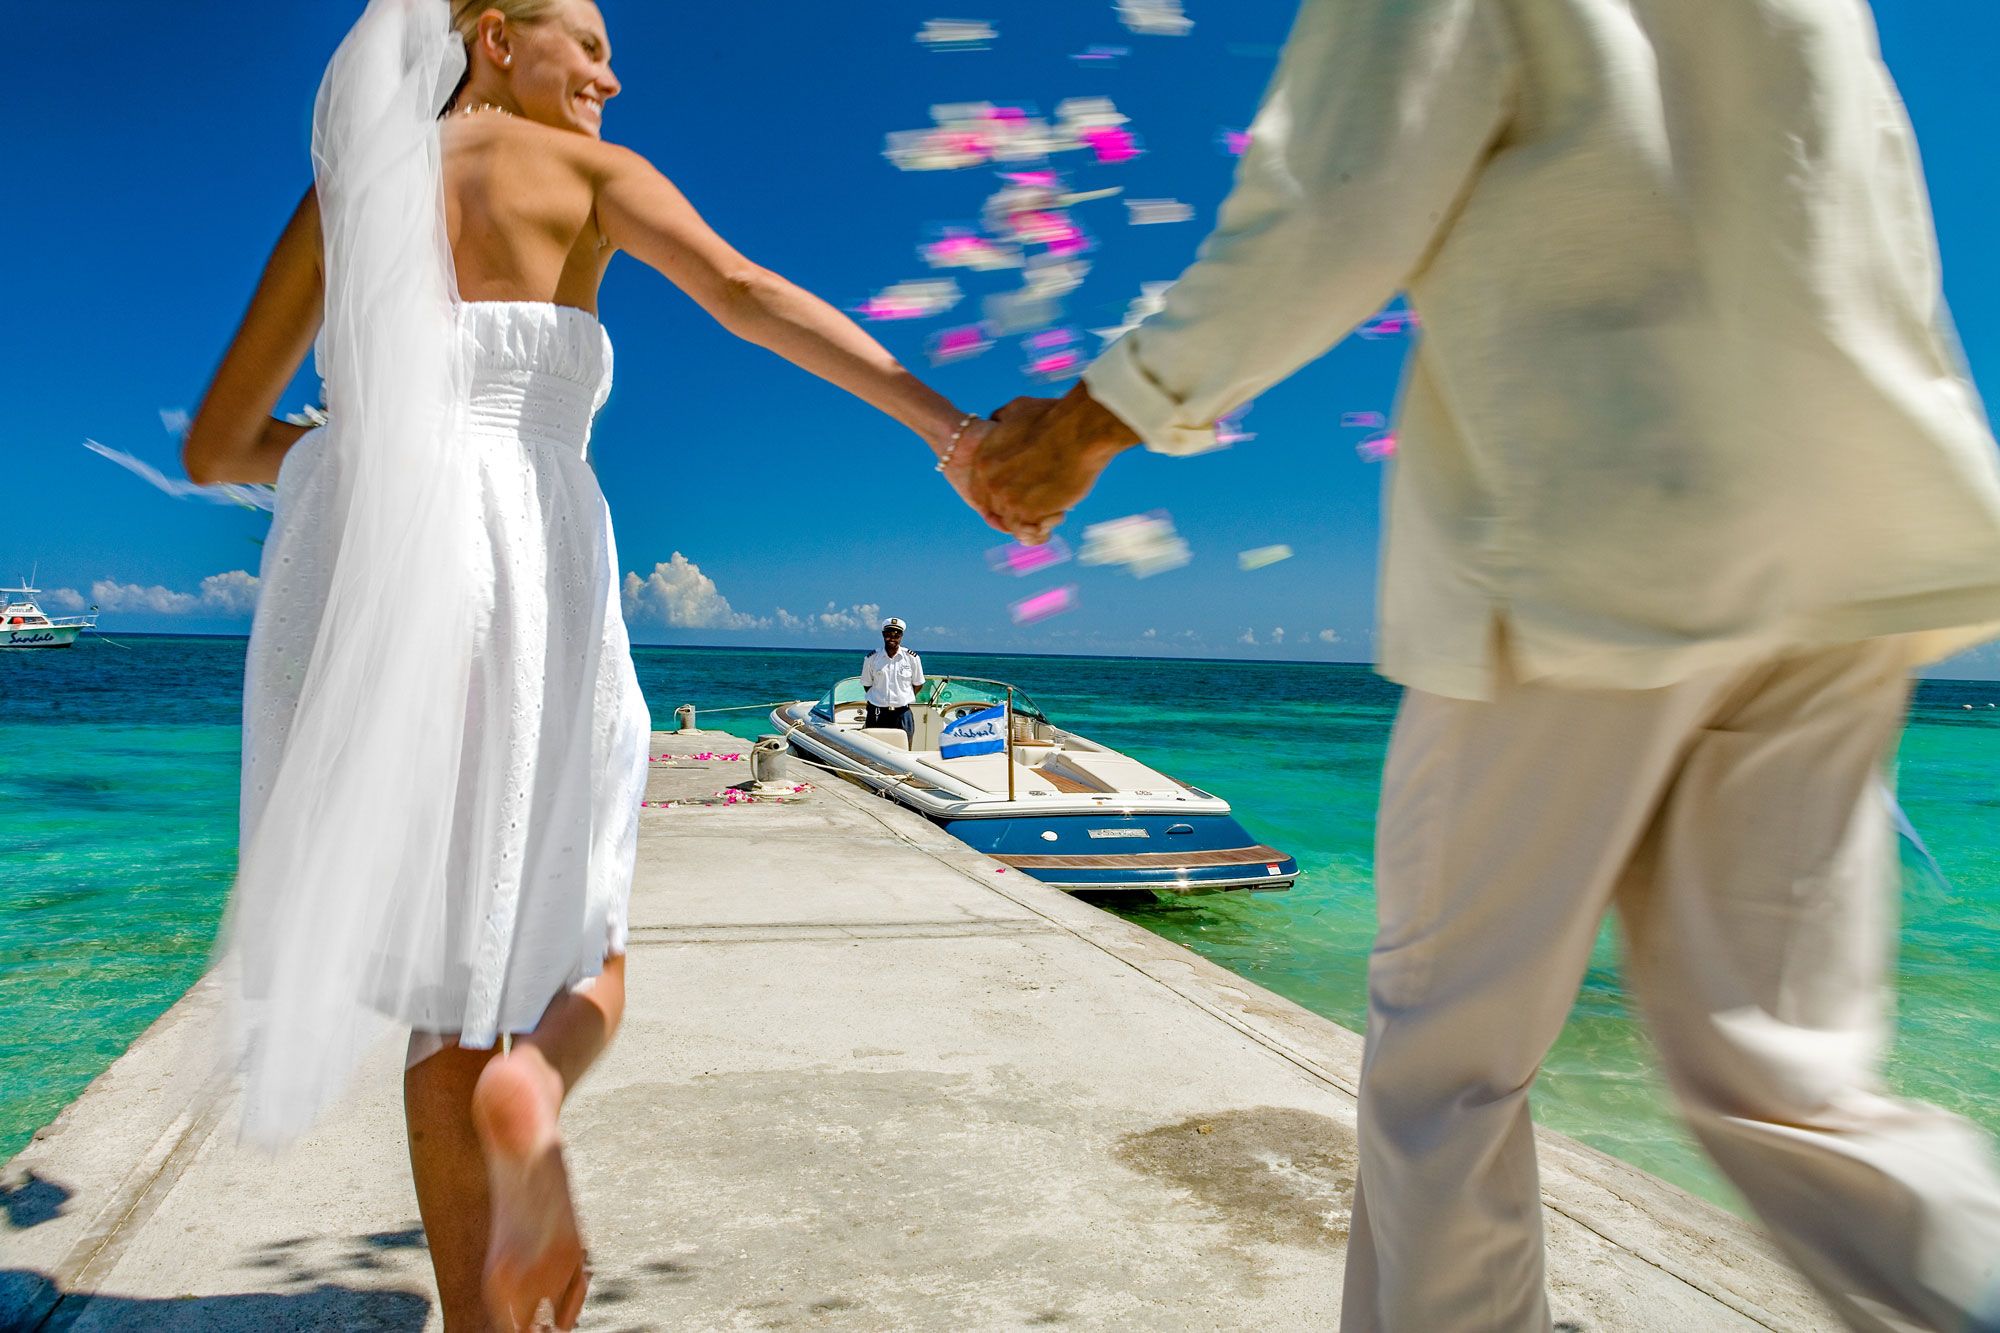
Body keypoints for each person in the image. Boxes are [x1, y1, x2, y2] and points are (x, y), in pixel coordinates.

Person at [972, 2, 2000, 1329]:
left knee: (1445, 1073)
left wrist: (1094, 416)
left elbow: (1337, 191)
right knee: (1795, 1088)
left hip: (1594, 520)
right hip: (1847, 528)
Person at [181, 2, 989, 1328]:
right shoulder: (590, 174)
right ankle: (538, 1086)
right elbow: (742, 294)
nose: (615, 73)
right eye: (588, 41)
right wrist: (949, 429)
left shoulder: (350, 197)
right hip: (525, 564)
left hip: (380, 587)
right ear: (494, 36)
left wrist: (366, 450)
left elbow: (218, 449)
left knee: (446, 996)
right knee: (582, 946)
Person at [861, 616, 923, 741]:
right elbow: (867, 684)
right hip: (877, 713)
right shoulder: (872, 658)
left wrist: (902, 697)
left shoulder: (912, 658)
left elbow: (918, 684)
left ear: (901, 636)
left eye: (896, 635)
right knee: (874, 750)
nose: (892, 638)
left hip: (903, 714)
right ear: (883, 635)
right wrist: (881, 699)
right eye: (888, 634)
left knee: (904, 750)